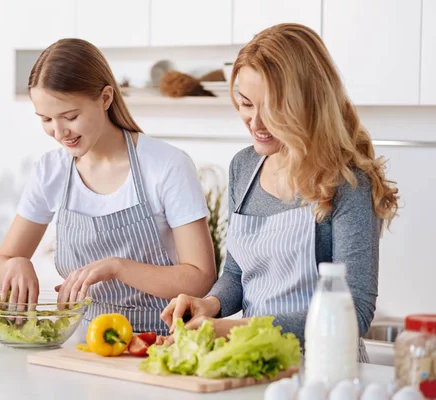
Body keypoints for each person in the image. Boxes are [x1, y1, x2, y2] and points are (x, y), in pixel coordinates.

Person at [161, 23, 399, 360]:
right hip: (253, 361)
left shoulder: (346, 182)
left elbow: (355, 313)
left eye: (272, 109)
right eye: (245, 104)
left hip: (324, 370)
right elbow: (236, 274)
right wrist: (209, 305)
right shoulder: (244, 167)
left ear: (307, 103)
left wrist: (232, 329)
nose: (255, 123)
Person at [0, 38, 216, 334]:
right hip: (81, 342)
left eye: (71, 117)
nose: (59, 132)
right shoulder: (51, 170)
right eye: (46, 119)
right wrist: (14, 265)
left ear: (105, 98)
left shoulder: (167, 165)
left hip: (159, 343)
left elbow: (200, 277)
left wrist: (118, 267)